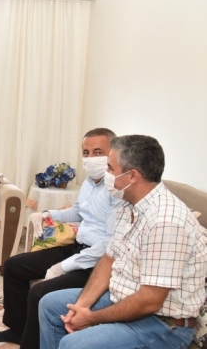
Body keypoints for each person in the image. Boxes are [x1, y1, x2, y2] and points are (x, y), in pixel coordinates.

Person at [39, 135, 207, 349]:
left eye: (110, 168)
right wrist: (81, 306)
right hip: (121, 298)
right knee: (49, 305)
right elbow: (109, 259)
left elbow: (150, 300)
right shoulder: (128, 206)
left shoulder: (166, 221)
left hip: (162, 324)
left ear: (132, 176)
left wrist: (91, 318)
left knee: (74, 344)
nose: (106, 174)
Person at [0, 128, 121, 349]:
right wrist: (48, 214)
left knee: (39, 293)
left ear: (113, 153)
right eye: (86, 152)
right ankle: (18, 330)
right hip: (77, 247)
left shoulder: (117, 190)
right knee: (13, 266)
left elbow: (108, 245)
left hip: (97, 262)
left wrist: (63, 266)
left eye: (98, 152)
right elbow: (77, 211)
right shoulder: (89, 182)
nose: (90, 158)